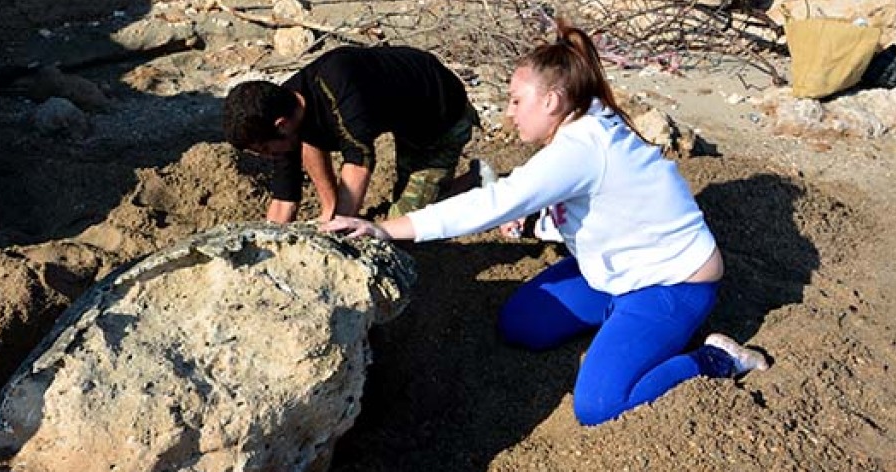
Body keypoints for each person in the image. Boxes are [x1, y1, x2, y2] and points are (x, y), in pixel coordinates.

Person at [320, 22, 769, 426]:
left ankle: (715, 357)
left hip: (672, 285)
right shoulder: (582, 127)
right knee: (521, 325)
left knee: (599, 406)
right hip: (614, 272)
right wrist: (538, 225)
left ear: (551, 100)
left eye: (517, 101)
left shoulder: (581, 148)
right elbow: (599, 211)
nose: (510, 113)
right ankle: (621, 331)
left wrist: (388, 228)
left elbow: (493, 202)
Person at [223, 45, 479, 224]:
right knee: (308, 144)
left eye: (266, 150)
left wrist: (340, 228)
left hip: (439, 116)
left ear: (281, 125)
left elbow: (359, 162)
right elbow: (284, 197)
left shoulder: (343, 92)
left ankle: (476, 183)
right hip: (401, 111)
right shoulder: (285, 104)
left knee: (404, 225)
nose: (269, 156)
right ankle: (331, 209)